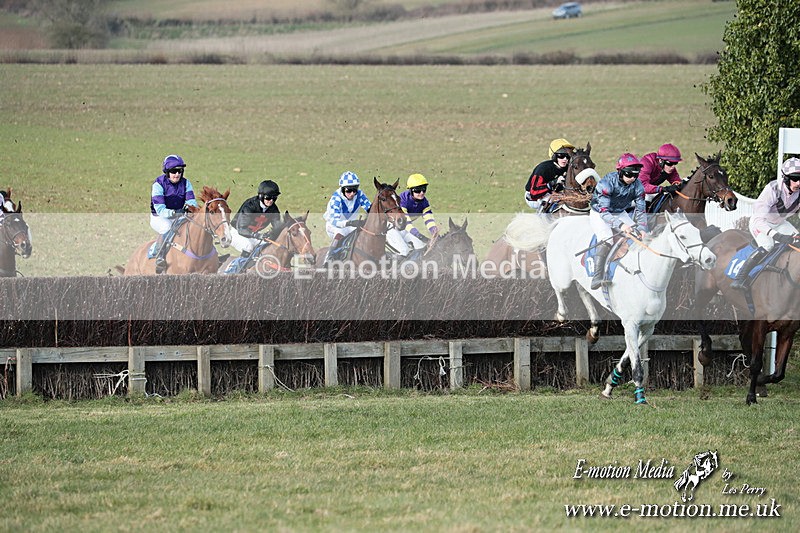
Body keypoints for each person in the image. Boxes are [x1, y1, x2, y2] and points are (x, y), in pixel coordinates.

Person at [730, 157, 800, 290]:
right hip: (761, 224)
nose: (799, 183)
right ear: (785, 178)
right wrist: (777, 236)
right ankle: (740, 278)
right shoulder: (772, 190)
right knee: (768, 245)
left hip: (780, 223)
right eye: (795, 178)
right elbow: (758, 220)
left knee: (798, 241)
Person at [589, 153, 648, 290]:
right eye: (629, 174)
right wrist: (621, 225)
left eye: (636, 175)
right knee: (606, 239)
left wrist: (643, 228)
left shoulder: (638, 186)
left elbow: (640, 210)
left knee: (638, 235)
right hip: (600, 213)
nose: (632, 178)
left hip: (619, 212)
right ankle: (597, 276)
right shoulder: (606, 184)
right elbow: (604, 212)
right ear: (620, 172)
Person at [150, 154, 198, 273]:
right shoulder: (158, 184)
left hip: (178, 216)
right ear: (167, 172)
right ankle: (160, 256)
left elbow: (192, 202)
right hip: (159, 217)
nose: (177, 174)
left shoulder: (186, 183)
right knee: (167, 227)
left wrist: (191, 209)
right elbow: (160, 209)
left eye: (180, 171)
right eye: (173, 171)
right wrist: (175, 212)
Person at [322, 171, 372, 262]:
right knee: (340, 232)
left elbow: (370, 209)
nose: (352, 193)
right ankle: (328, 258)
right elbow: (335, 221)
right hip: (333, 226)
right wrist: (350, 222)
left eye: (355, 189)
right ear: (342, 189)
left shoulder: (359, 194)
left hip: (351, 226)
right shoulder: (336, 199)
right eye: (349, 190)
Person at [230, 180, 282, 258]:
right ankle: (234, 269)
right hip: (235, 232)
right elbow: (241, 229)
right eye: (268, 197)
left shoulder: (273, 209)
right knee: (248, 247)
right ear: (261, 196)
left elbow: (278, 228)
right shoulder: (250, 206)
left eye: (274, 198)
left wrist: (271, 235)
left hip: (251, 235)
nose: (271, 201)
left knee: (266, 248)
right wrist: (257, 235)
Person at [393, 173, 439, 259]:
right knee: (404, 250)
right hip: (390, 229)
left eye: (424, 189)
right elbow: (406, 223)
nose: (421, 193)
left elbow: (429, 220)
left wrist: (434, 232)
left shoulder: (424, 202)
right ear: (410, 190)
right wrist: (419, 235)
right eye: (417, 190)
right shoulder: (403, 200)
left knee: (421, 247)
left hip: (403, 229)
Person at [524, 138, 575, 210]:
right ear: (554, 156)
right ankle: (542, 220)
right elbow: (534, 193)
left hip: (552, 193)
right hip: (533, 198)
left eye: (568, 156)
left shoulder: (568, 167)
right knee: (553, 200)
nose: (565, 159)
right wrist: (553, 182)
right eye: (561, 155)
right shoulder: (543, 169)